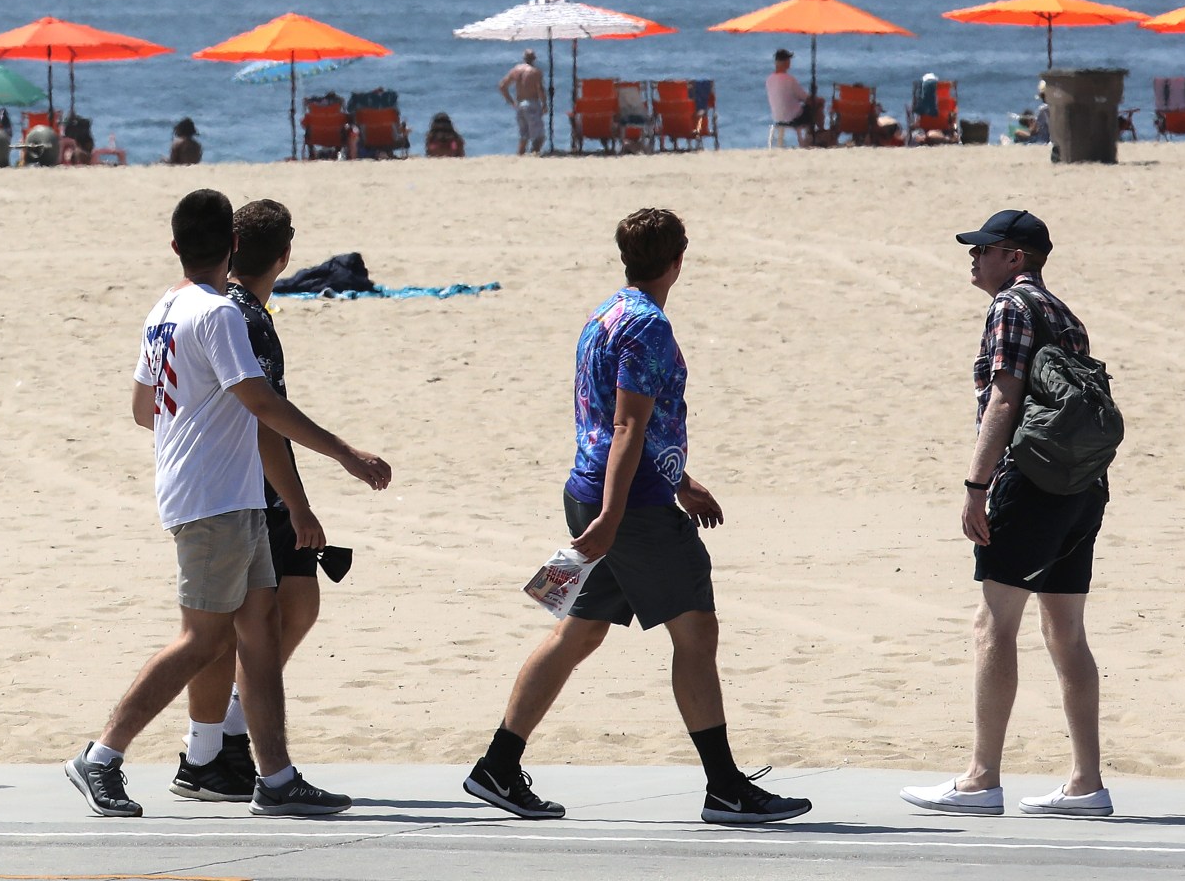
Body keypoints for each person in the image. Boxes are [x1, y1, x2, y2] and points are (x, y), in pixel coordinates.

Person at [463, 209, 808, 827]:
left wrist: (684, 483)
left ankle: (497, 766)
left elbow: (615, 425)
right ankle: (726, 788)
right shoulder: (648, 328)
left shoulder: (606, 314)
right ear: (679, 260)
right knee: (696, 631)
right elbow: (627, 425)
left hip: (600, 490)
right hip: (630, 509)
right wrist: (614, 518)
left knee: (579, 632)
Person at [67, 189, 390, 820]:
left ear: (175, 246)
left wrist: (200, 419)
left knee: (260, 635)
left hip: (225, 493)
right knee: (200, 640)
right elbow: (261, 402)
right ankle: (100, 757)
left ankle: (276, 778)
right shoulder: (218, 314)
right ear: (234, 246)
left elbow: (142, 409)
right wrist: (346, 455)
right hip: (213, 498)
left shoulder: (164, 309)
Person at [901, 210, 1111, 818]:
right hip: (1080, 488)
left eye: (984, 249)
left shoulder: (1011, 308)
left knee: (993, 623)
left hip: (1033, 486)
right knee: (1066, 632)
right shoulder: (1065, 314)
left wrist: (976, 484)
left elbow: (1005, 395)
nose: (974, 258)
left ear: (1014, 256)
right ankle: (1085, 784)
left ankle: (980, 781)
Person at [172, 201, 367, 803]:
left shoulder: (219, 308)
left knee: (275, 612)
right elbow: (265, 418)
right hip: (245, 490)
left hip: (234, 487)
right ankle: (205, 749)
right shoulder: (241, 318)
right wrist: (309, 493)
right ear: (284, 256)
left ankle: (227, 743)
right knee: (227, 629)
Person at [499, 51, 546, 156]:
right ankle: (535, 155)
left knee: (524, 135)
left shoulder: (516, 70)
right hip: (532, 103)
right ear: (534, 59)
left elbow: (502, 86)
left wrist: (511, 101)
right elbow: (540, 90)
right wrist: (544, 104)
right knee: (539, 136)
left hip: (520, 104)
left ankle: (520, 156)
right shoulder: (535, 72)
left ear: (524, 58)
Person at [765, 50, 807, 148]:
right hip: (793, 117)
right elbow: (804, 97)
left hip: (777, 117)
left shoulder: (769, 79)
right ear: (785, 62)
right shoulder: (789, 79)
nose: (789, 62)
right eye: (788, 60)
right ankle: (811, 140)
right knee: (815, 107)